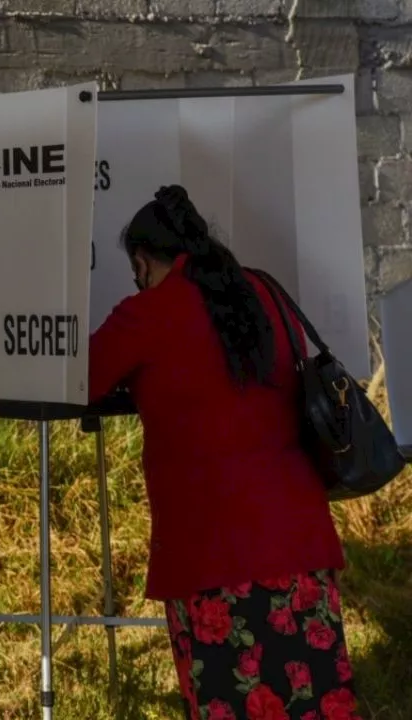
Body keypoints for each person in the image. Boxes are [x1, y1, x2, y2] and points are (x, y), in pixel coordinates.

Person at [89, 185, 361, 720]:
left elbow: (81, 380)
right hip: (301, 550)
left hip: (213, 562)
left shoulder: (147, 314)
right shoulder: (265, 291)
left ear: (144, 262)